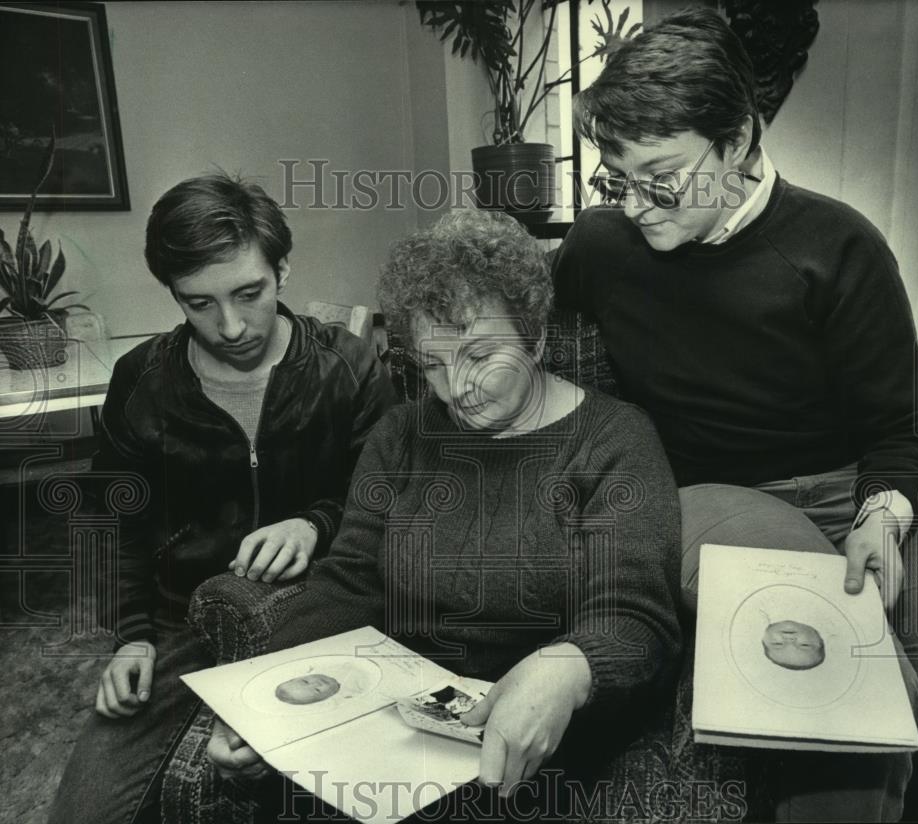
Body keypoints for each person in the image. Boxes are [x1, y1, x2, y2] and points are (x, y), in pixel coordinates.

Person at [552, 7, 918, 821]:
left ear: (739, 141)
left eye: (664, 176)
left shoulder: (838, 245)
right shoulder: (598, 249)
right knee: (855, 707)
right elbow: (498, 312)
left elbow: (904, 429)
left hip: (858, 490)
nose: (639, 204)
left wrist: (883, 515)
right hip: (712, 500)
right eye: (620, 177)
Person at [207, 209, 684, 821]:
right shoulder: (401, 435)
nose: (458, 388)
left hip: (543, 742)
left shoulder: (615, 439)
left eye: (482, 355)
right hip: (398, 728)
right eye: (434, 364)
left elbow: (637, 615)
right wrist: (257, 695)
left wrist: (570, 666)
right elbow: (350, 580)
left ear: (536, 338)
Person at [49, 172, 397, 824]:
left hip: (318, 620)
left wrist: (316, 524)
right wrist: (131, 639)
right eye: (198, 304)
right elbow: (112, 524)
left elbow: (389, 500)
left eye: (249, 293)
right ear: (173, 294)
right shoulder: (141, 381)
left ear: (283, 269)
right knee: (83, 813)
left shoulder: (348, 367)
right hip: (184, 626)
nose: (230, 326)